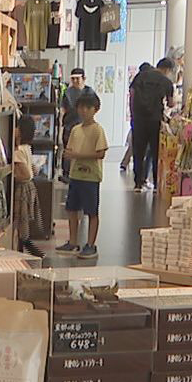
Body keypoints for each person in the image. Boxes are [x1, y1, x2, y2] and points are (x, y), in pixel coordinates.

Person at [63, 94, 108, 259]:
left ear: (96, 109)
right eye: (81, 107)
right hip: (75, 175)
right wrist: (69, 155)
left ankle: (90, 244)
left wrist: (78, 155)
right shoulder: (75, 130)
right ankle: (73, 241)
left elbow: (101, 153)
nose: (83, 111)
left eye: (88, 108)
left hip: (91, 177)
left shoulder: (98, 130)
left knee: (91, 211)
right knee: (71, 209)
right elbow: (69, 150)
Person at [129, 58, 176, 190]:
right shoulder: (166, 82)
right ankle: (156, 184)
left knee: (139, 152)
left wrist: (133, 115)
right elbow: (171, 103)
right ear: (167, 70)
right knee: (156, 152)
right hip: (155, 120)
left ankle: (138, 183)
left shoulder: (140, 76)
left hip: (139, 119)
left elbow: (132, 95)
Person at [11, 115, 44, 256]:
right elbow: (32, 170)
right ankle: (29, 249)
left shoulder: (18, 151)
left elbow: (24, 174)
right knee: (25, 223)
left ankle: (27, 250)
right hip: (30, 188)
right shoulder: (27, 148)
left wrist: (13, 175)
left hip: (22, 190)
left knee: (20, 221)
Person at [61, 67, 97, 182]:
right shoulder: (68, 92)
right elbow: (63, 108)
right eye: (73, 79)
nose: (75, 81)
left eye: (78, 79)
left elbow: (96, 106)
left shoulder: (89, 92)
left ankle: (82, 172)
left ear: (84, 78)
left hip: (85, 125)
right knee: (68, 149)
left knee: (84, 149)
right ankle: (66, 173)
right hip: (70, 125)